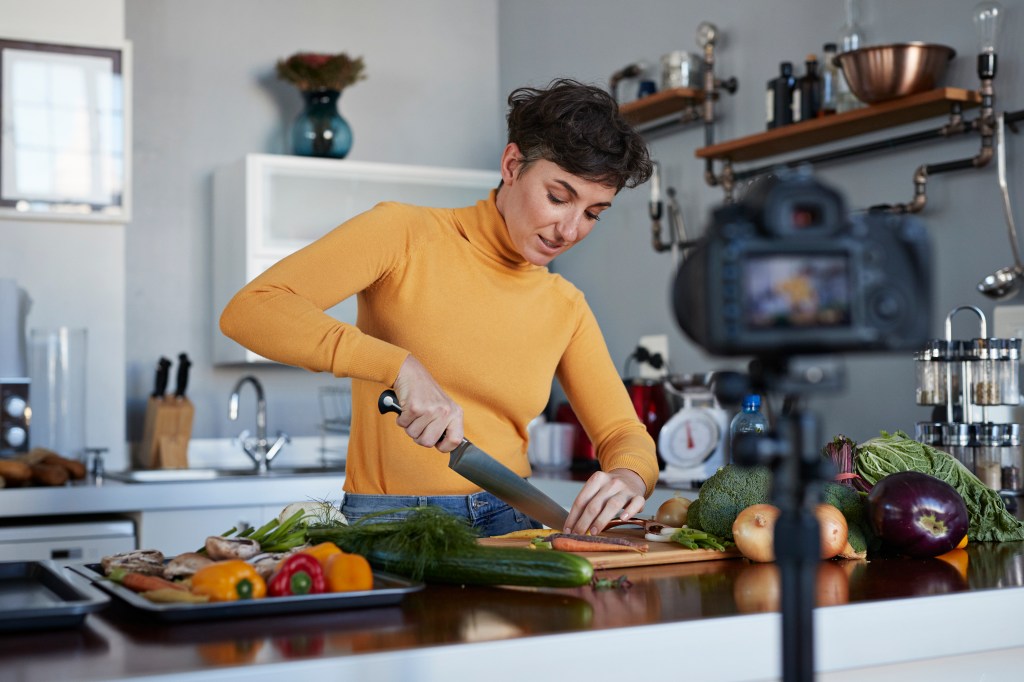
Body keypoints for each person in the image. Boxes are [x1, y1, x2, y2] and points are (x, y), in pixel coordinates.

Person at [220, 78, 659, 537]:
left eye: (592, 214)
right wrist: (399, 366)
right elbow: (251, 310)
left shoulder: (565, 306)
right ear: (512, 165)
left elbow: (622, 434)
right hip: (390, 524)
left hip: (514, 521)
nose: (569, 230)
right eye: (558, 197)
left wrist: (628, 475)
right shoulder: (404, 235)